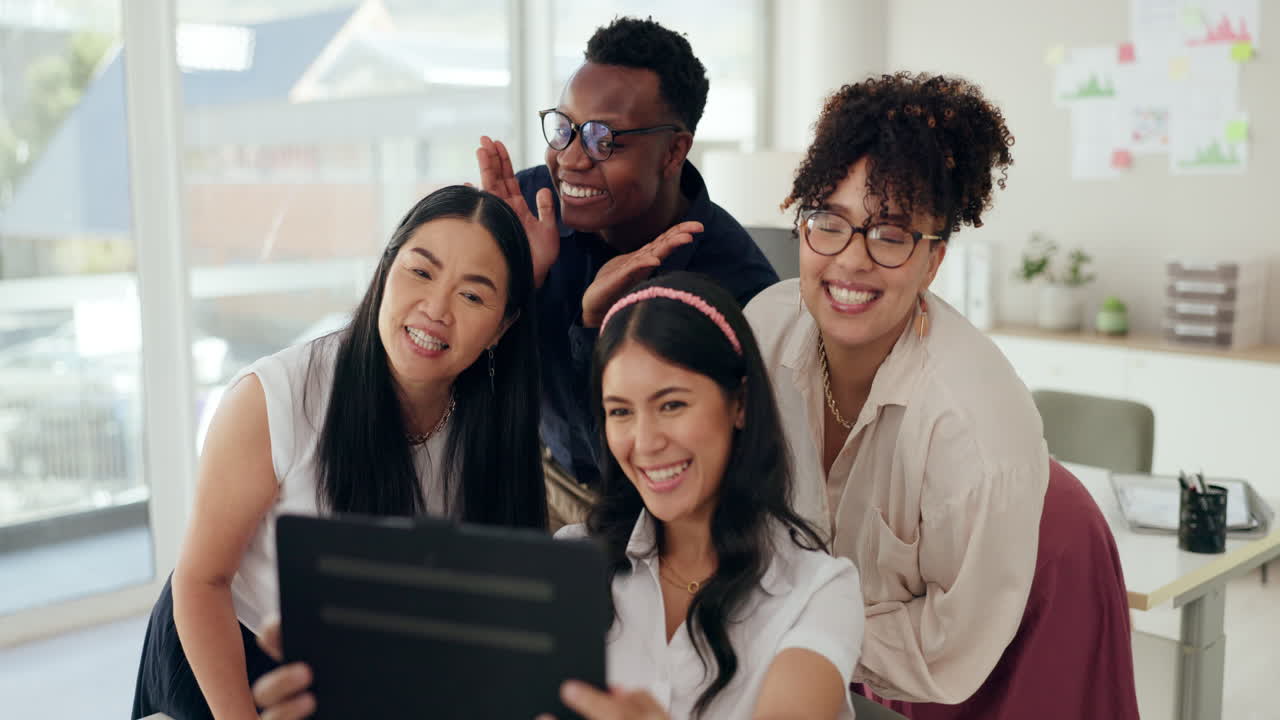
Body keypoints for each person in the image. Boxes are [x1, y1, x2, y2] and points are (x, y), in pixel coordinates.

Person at [248, 272, 864, 720]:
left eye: (672, 404)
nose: (645, 442)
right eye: (620, 411)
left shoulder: (818, 591)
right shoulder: (571, 565)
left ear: (740, 404)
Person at [745, 73, 1139, 717]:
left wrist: (793, 625)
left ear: (933, 261)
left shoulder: (974, 422)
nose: (850, 259)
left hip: (1031, 574)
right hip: (888, 609)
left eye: (891, 234)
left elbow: (947, 657)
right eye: (829, 222)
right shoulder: (764, 331)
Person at [131, 185, 547, 720]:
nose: (436, 309)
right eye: (420, 272)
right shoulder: (276, 396)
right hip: (230, 656)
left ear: (502, 327)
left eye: (472, 295)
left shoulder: (493, 425)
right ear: (385, 268)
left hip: (360, 670)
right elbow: (200, 580)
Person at [476, 17, 778, 504]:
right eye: (566, 128)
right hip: (533, 468)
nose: (571, 159)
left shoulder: (734, 285)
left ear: (673, 150)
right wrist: (505, 286)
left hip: (659, 500)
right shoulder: (529, 206)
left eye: (603, 140)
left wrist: (596, 329)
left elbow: (670, 464)